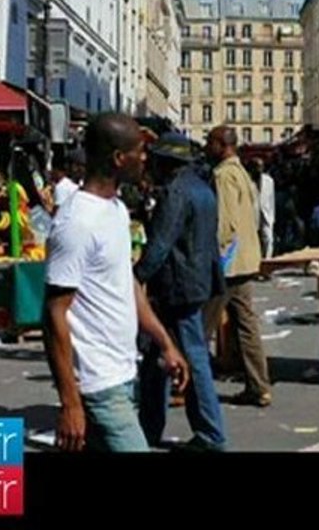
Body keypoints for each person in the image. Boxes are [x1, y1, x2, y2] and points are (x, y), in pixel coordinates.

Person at [43, 113, 189, 452]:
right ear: (118, 158)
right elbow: (53, 314)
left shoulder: (117, 209)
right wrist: (70, 403)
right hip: (97, 384)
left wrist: (164, 341)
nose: (145, 158)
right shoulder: (76, 222)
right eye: (139, 151)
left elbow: (127, 285)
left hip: (123, 371)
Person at [135, 132, 228, 452]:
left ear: (167, 164)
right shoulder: (202, 188)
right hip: (198, 280)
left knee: (191, 356)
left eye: (157, 161)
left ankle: (210, 433)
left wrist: (136, 276)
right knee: (157, 356)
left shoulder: (175, 193)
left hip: (178, 285)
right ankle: (147, 428)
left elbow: (161, 242)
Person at [203, 126, 272, 407]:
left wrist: (216, 262)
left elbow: (225, 224)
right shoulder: (243, 173)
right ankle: (259, 386)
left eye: (210, 142)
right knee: (247, 325)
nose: (207, 147)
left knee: (201, 328)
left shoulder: (223, 175)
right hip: (246, 259)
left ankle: (189, 387)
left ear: (222, 145)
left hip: (228, 265)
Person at [248, 158, 276, 259]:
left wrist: (272, 217)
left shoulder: (269, 181)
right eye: (256, 167)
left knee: (268, 238)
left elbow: (271, 199)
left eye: (261, 166)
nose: (259, 169)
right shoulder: (247, 181)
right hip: (252, 214)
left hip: (266, 213)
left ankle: (267, 260)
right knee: (253, 239)